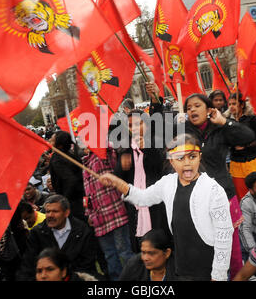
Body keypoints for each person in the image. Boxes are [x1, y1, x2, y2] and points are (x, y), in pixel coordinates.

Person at [100, 133, 234, 281]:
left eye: (192, 157)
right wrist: (118, 183)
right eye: (180, 158)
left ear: (199, 157)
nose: (187, 163)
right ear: (171, 161)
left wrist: (218, 275)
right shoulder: (167, 184)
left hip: (208, 271)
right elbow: (143, 198)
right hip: (181, 270)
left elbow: (224, 235)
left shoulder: (213, 190)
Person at [180, 93, 254, 278]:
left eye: (197, 106)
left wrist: (224, 122)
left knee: (231, 250)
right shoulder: (182, 131)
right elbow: (158, 138)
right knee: (205, 247)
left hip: (223, 194)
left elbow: (248, 136)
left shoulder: (221, 128)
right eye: (189, 108)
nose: (192, 110)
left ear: (209, 109)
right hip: (195, 197)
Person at [114, 106, 169, 252]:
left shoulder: (157, 141)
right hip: (135, 204)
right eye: (131, 125)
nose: (135, 128)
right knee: (140, 244)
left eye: (139, 124)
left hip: (156, 202)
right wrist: (121, 165)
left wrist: (148, 149)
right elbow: (119, 178)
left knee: (160, 240)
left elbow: (163, 167)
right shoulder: (125, 148)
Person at [16, 194, 98, 280]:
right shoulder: (36, 233)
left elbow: (87, 266)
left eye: (55, 211)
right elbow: (28, 265)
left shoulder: (83, 231)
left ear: (66, 213)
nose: (50, 215)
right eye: (47, 211)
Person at [82, 147, 134, 281]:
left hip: (115, 213)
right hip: (99, 219)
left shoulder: (105, 154)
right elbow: (88, 193)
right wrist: (89, 213)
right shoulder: (84, 163)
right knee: (110, 255)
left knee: (125, 252)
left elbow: (112, 151)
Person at [225, 92, 256, 199]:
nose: (231, 107)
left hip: (253, 160)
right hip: (236, 162)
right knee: (243, 195)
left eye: (234, 104)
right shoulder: (226, 121)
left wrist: (245, 145)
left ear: (242, 105)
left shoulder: (251, 119)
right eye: (229, 104)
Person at [49, 131, 85, 221]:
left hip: (73, 202)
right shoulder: (70, 154)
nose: (49, 141)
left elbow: (70, 180)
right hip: (81, 196)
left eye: (52, 140)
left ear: (59, 145)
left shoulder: (57, 158)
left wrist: (64, 200)